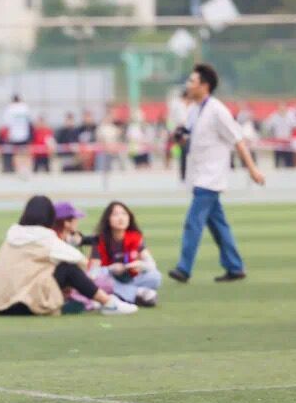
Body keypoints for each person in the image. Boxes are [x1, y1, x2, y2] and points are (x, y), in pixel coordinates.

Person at [168, 63, 265, 284]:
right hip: (199, 174)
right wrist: (179, 137)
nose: (188, 85)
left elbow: (238, 140)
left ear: (204, 86)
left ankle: (184, 268)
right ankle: (234, 266)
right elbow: (188, 137)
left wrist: (252, 169)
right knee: (218, 224)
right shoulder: (194, 110)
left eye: (192, 81)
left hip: (210, 177)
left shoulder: (217, 110)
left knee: (193, 222)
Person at [0, 197, 137, 316]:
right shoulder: (44, 238)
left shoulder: (11, 237)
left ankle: (99, 301)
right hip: (26, 304)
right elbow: (80, 260)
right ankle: (109, 303)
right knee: (68, 268)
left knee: (54, 269)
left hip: (0, 305)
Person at [88, 201, 161, 307]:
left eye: (124, 214)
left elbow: (151, 265)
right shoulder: (99, 240)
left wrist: (140, 265)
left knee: (155, 277)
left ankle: (121, 296)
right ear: (108, 219)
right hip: (110, 279)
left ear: (129, 217)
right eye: (115, 214)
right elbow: (92, 273)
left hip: (130, 279)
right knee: (99, 282)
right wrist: (110, 269)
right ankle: (138, 294)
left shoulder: (135, 237)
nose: (121, 218)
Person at [2, 94, 32, 173]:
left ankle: (18, 169)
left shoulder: (9, 108)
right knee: (25, 153)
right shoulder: (25, 107)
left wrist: (7, 136)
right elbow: (29, 122)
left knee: (16, 154)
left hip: (14, 135)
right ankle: (26, 169)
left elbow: (7, 124)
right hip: (24, 135)